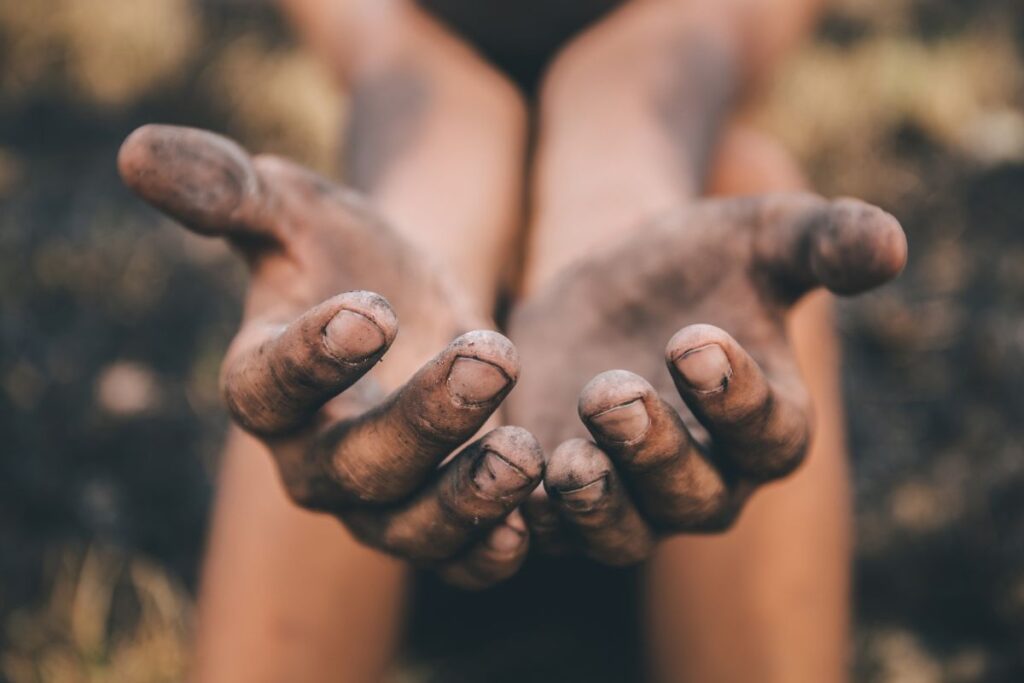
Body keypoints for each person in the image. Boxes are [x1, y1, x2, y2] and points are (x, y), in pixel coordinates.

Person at [117, 0, 907, 680]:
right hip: (430, 466)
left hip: (638, 441)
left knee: (747, 201)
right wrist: (427, 122)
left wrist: (632, 119)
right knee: (344, 290)